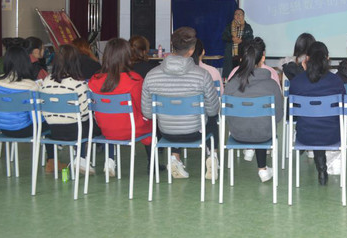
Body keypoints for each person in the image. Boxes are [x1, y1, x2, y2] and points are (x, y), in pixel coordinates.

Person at [142, 27, 221, 180]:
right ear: (192, 50)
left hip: (166, 132)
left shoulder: (151, 75)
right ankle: (212, 156)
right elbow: (212, 110)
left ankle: (174, 158)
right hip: (195, 131)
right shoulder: (203, 75)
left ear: (173, 47)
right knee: (211, 117)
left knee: (172, 116)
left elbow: (147, 113)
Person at [0, 46, 65, 172]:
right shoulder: (30, 85)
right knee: (51, 123)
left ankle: (52, 162)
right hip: (23, 129)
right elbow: (37, 119)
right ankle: (52, 161)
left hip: (3, 128)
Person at [88, 38, 153, 177]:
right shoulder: (134, 79)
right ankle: (152, 163)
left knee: (112, 118)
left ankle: (110, 160)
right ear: (127, 55)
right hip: (130, 129)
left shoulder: (94, 79)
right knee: (151, 121)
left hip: (106, 129)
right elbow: (142, 108)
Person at [224, 37, 284, 183]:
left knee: (256, 123)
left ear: (242, 57)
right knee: (261, 123)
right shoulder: (272, 85)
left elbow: (224, 113)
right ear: (263, 57)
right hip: (264, 134)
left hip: (237, 133)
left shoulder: (231, 84)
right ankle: (262, 168)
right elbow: (278, 116)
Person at [288, 41, 345, 185]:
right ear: (327, 58)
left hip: (305, 136)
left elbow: (291, 111)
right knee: (320, 124)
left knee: (313, 123)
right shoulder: (336, 81)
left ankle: (321, 168)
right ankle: (321, 168)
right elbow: (344, 108)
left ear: (307, 58)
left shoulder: (297, 82)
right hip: (332, 136)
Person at [40, 44, 97, 175]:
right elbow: (85, 112)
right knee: (89, 123)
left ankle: (54, 160)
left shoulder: (46, 81)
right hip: (76, 131)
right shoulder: (78, 83)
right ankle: (81, 158)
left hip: (53, 130)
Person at [221, 8, 254, 78]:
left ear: (243, 16)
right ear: (234, 16)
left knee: (242, 75)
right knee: (229, 75)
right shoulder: (229, 26)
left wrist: (242, 41)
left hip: (242, 54)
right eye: (236, 14)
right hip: (230, 55)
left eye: (240, 14)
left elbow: (250, 39)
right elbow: (224, 37)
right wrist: (232, 39)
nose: (238, 16)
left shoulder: (247, 27)